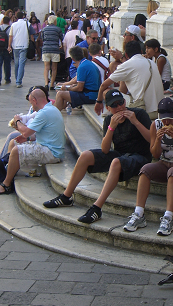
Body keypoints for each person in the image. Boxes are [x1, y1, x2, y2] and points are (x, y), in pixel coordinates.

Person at [43, 90, 152, 224]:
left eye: (121, 103)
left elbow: (151, 140)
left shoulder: (139, 114)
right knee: (85, 155)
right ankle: (66, 196)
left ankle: (97, 208)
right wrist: (111, 128)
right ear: (108, 108)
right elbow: (105, 149)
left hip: (140, 156)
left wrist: (135, 122)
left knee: (117, 162)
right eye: (114, 105)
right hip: (121, 155)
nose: (119, 107)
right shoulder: (109, 120)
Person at [124, 98, 173, 236]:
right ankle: (139, 214)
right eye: (164, 119)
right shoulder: (155, 125)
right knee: (145, 170)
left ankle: (168, 217)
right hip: (164, 163)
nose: (167, 122)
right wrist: (157, 140)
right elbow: (155, 154)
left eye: (169, 119)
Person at [0, 88, 65, 195]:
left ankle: (6, 184)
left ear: (34, 100)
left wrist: (17, 120)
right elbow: (38, 134)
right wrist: (27, 138)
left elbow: (25, 132)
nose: (31, 106)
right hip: (51, 148)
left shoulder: (44, 113)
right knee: (14, 143)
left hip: (51, 153)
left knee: (16, 151)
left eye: (30, 102)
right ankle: (7, 173)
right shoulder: (51, 109)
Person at [95, 40, 164, 118]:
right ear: (141, 51)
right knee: (124, 79)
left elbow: (103, 85)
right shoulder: (151, 63)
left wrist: (99, 101)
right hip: (160, 111)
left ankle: (113, 112)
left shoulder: (127, 65)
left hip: (143, 111)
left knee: (106, 92)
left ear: (126, 55)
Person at [54, 46, 101, 111]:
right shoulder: (88, 63)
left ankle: (54, 114)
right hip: (93, 94)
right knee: (66, 90)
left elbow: (79, 88)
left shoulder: (82, 67)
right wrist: (66, 85)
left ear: (72, 58)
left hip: (89, 96)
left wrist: (67, 88)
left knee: (60, 94)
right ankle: (59, 109)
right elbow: (77, 80)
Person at [8, 11, 33, 88]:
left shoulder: (13, 25)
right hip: (24, 45)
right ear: (23, 16)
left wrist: (9, 45)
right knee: (22, 63)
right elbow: (32, 34)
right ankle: (19, 81)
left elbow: (11, 36)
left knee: (16, 63)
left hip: (15, 45)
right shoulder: (27, 24)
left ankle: (17, 78)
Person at [41, 15, 64, 90]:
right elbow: (62, 38)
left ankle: (46, 83)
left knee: (46, 67)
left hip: (46, 49)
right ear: (55, 21)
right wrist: (61, 46)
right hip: (55, 49)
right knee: (54, 68)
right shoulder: (58, 29)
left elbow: (43, 38)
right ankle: (52, 84)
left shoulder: (44, 29)